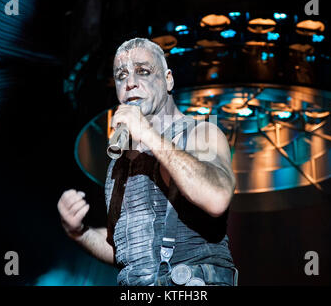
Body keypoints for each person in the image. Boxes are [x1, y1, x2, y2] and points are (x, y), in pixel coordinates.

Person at [57, 38, 238, 286]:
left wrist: (149, 135)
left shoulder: (201, 132)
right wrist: (79, 232)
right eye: (121, 76)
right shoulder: (119, 162)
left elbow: (216, 197)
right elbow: (125, 251)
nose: (130, 83)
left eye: (143, 71)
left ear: (168, 80)